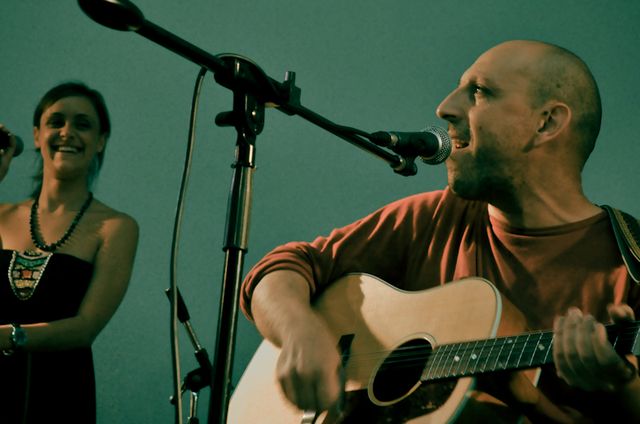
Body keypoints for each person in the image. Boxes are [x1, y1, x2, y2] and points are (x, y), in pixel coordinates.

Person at [238, 40, 640, 422]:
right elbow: (282, 268)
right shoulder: (434, 218)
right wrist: (300, 332)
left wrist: (619, 387)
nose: (444, 108)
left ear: (547, 122)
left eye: (479, 92)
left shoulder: (629, 264)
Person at [0, 82, 139, 423]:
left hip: (60, 396)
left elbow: (85, 327)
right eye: (56, 121)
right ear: (36, 135)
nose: (67, 132)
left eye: (83, 124)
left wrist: (11, 336)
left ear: (100, 141)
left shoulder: (115, 227)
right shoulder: (2, 216)